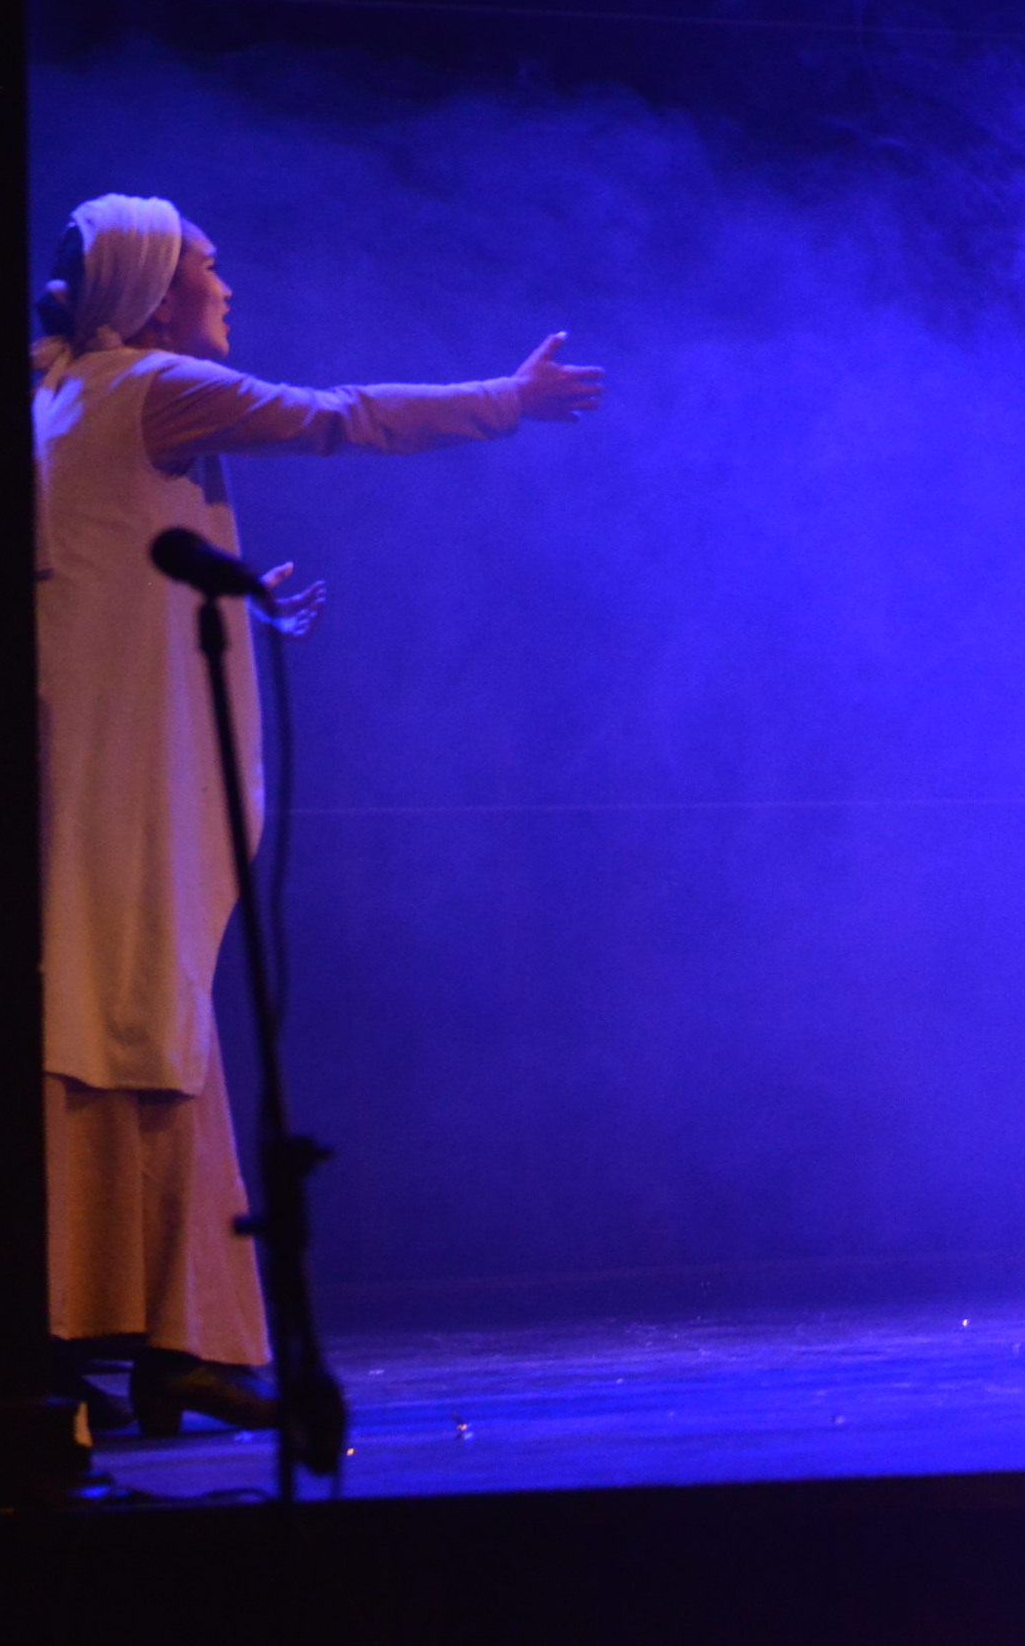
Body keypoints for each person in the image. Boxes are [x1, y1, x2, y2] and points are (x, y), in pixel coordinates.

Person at [31, 194, 604, 1433]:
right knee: (126, 1020)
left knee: (131, 1020)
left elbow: (91, 573)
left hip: (94, 770)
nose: (226, 283)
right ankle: (122, 1334)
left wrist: (232, 603)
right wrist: (507, 398)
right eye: (206, 265)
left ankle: (151, 1331)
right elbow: (341, 416)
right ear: (154, 295)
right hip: (121, 787)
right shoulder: (154, 385)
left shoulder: (62, 397)